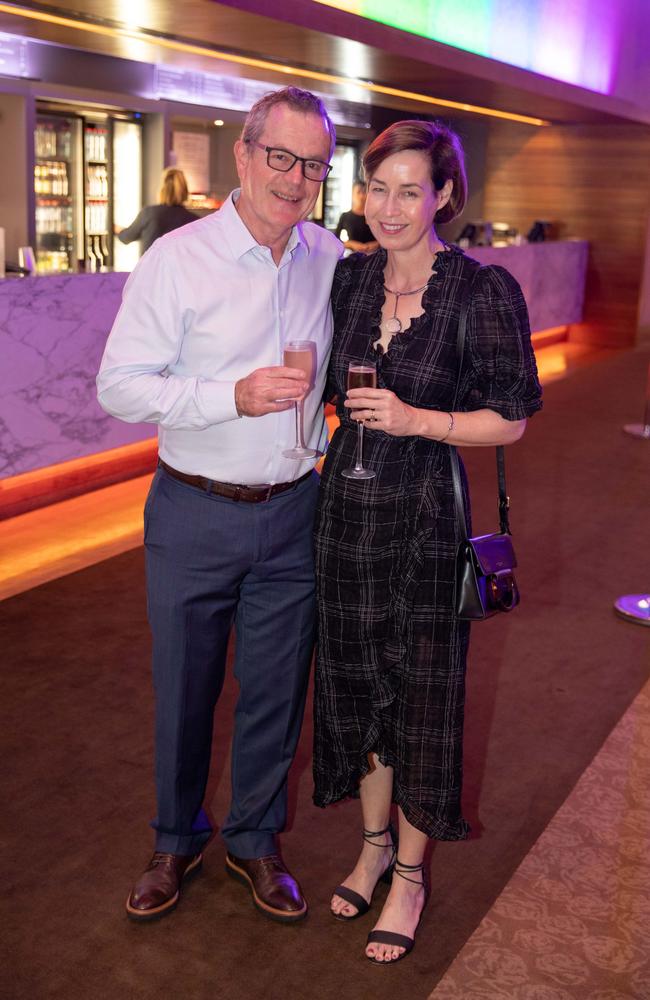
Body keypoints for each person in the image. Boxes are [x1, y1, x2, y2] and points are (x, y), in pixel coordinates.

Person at [97, 86, 341, 924]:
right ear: (243, 154)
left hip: (294, 511)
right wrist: (229, 396)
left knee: (277, 689)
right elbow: (119, 386)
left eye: (313, 164)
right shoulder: (179, 257)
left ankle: (255, 839)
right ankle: (174, 837)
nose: (296, 178)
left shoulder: (328, 257)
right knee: (185, 686)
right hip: (194, 508)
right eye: (282, 157)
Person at [313, 120, 542, 963]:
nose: (391, 207)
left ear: (444, 195)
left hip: (424, 525)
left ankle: (410, 872)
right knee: (356, 685)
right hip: (344, 516)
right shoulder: (348, 280)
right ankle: (372, 845)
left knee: (420, 700)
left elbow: (511, 420)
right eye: (378, 188)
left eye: (411, 190)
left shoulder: (482, 292)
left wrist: (419, 420)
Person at [115, 167, 198, 254]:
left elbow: (126, 237)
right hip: (179, 267)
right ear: (185, 191)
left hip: (151, 267)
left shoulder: (149, 213)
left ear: (162, 190)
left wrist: (115, 228)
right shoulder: (194, 220)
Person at [334, 180, 378, 254]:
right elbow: (335, 241)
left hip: (374, 257)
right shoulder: (345, 216)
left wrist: (376, 244)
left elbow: (387, 238)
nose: (361, 196)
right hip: (353, 257)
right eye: (358, 192)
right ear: (352, 194)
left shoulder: (375, 215)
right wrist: (351, 244)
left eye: (364, 192)